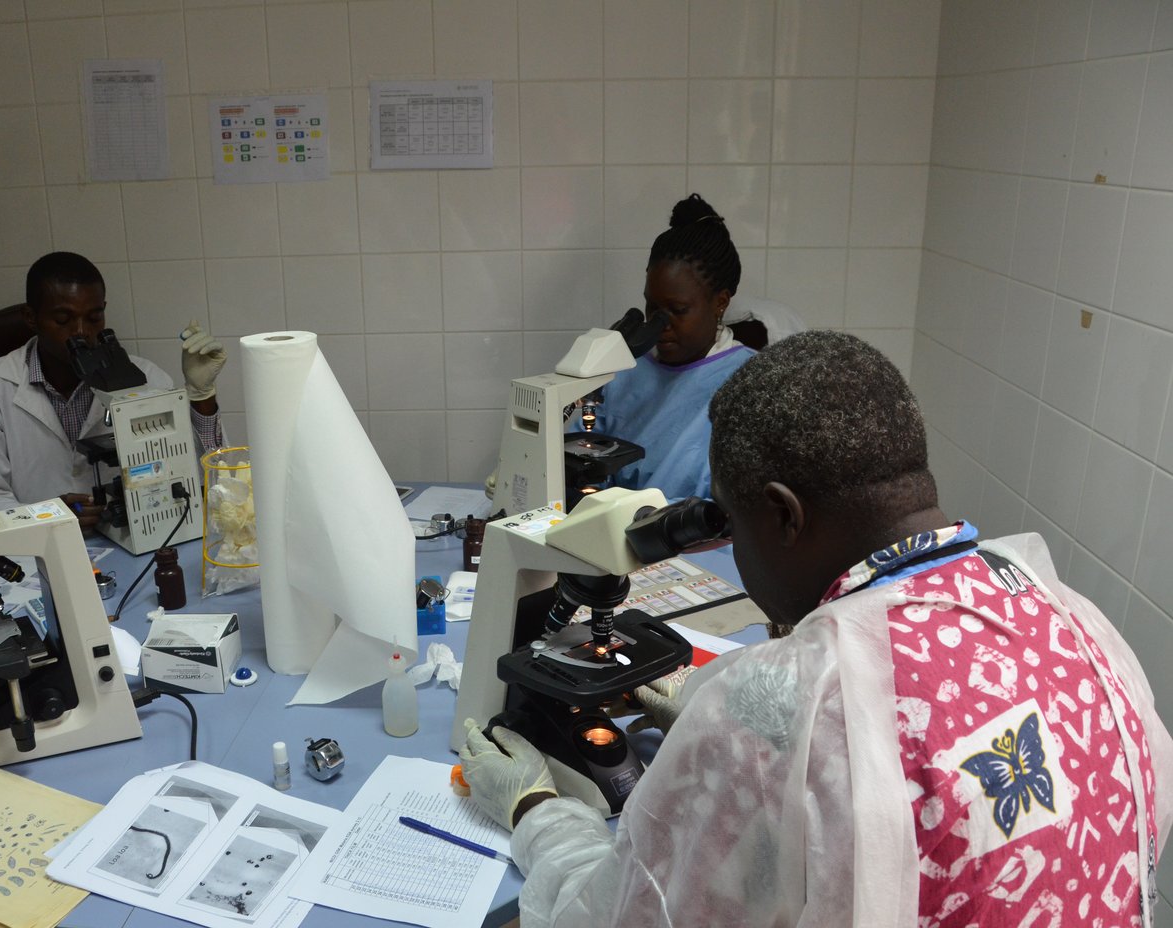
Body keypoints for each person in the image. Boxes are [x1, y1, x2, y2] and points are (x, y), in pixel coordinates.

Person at [462, 331, 1173, 927]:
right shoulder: (1075, 619)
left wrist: (535, 809)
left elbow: (619, 915)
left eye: (732, 524)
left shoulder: (779, 709)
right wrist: (719, 710)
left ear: (782, 515)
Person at [0, 252, 228, 531]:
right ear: (31, 317)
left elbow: (208, 482)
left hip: (133, 538)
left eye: (95, 318)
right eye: (63, 320)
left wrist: (201, 396)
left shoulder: (145, 377)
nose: (81, 332)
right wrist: (50, 516)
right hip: (36, 551)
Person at [570, 194, 755, 501]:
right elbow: (581, 453)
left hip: (698, 546)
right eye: (651, 307)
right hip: (605, 533)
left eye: (678, 309)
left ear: (720, 302)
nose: (660, 323)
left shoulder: (751, 382)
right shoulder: (627, 370)